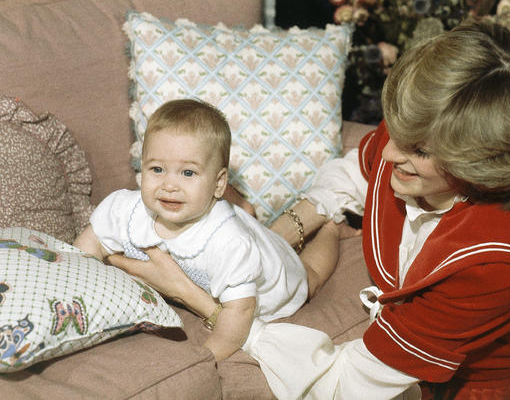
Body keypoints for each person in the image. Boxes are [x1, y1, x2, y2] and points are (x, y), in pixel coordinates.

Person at [105, 20, 510, 399]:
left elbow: (342, 385)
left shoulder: (493, 267)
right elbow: (359, 168)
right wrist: (285, 230)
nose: (390, 155)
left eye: (420, 152)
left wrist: (194, 296)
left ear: (483, 165)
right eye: (399, 131)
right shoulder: (416, 143)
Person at [73, 99, 343, 360]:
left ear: (219, 184)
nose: (169, 185)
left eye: (187, 173)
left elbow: (239, 311)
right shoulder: (124, 209)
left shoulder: (229, 243)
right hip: (235, 232)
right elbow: (90, 244)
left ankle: (333, 226)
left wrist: (209, 355)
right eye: (157, 169)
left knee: (310, 277)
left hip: (272, 277)